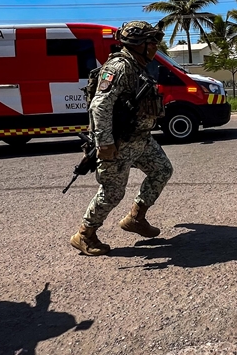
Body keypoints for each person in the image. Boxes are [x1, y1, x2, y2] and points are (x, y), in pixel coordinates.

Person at [71, 21, 173, 256]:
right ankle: (84, 235)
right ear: (138, 44)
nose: (155, 47)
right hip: (119, 143)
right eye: (151, 43)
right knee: (112, 192)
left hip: (140, 140)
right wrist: (104, 143)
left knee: (162, 170)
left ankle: (136, 218)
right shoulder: (118, 67)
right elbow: (100, 106)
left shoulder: (137, 65)